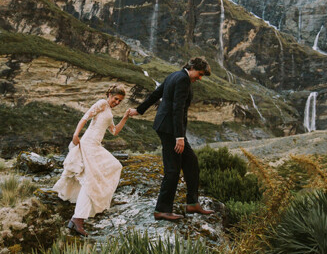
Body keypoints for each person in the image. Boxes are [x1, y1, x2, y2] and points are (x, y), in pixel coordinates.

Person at [127, 57, 215, 221]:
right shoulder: (183, 79)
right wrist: (179, 137)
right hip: (170, 129)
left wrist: (139, 110)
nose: (200, 78)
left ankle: (192, 203)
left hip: (167, 127)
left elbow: (156, 94)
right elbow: (178, 109)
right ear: (192, 67)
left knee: (191, 162)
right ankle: (161, 210)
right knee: (172, 169)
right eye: (200, 74)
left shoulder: (174, 75)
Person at [53, 84, 131, 236]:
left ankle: (77, 219)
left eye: (120, 101)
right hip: (88, 143)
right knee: (92, 179)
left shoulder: (109, 111)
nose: (117, 102)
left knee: (115, 166)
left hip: (95, 145)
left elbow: (114, 131)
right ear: (110, 95)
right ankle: (78, 219)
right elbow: (85, 117)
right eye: (116, 99)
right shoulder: (102, 103)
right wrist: (76, 134)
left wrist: (125, 117)